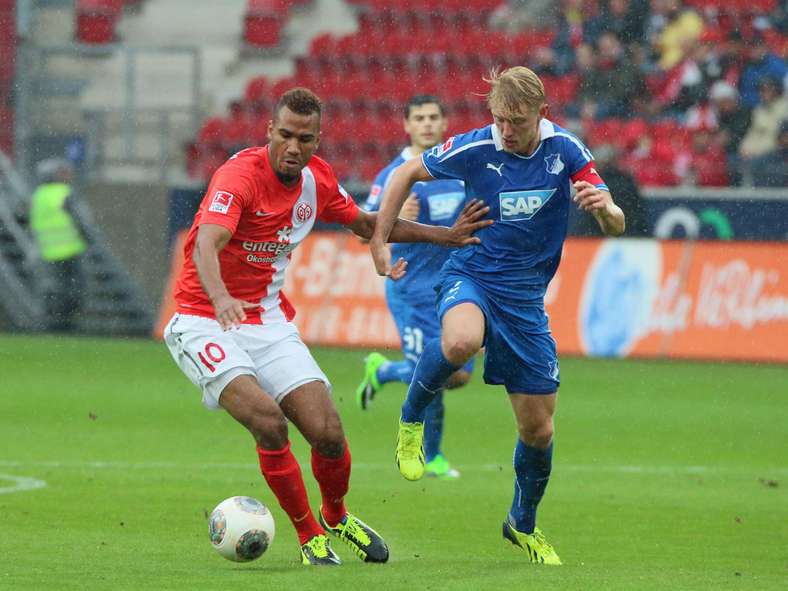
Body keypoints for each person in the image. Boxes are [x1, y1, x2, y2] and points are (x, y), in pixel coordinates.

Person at [163, 88, 490, 566]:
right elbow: (206, 244)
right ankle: (309, 535)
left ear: (318, 140)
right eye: (285, 135)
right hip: (203, 319)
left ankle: (336, 516)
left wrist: (446, 236)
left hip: (266, 319)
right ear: (269, 132)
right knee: (269, 423)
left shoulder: (316, 180)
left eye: (305, 139)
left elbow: (368, 225)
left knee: (329, 432)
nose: (293, 147)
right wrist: (220, 297)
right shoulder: (238, 178)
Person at [368, 67, 626, 566]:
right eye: (500, 119)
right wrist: (381, 239)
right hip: (472, 273)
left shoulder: (566, 150)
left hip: (525, 300)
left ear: (542, 114)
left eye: (517, 121)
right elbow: (404, 173)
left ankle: (521, 523)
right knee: (461, 342)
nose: (506, 131)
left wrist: (604, 210)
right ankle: (411, 417)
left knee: (539, 431)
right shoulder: (476, 146)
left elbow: (615, 221)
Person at [356, 95, 475, 480]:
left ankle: (384, 371)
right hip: (412, 287)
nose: (426, 124)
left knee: (459, 375)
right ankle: (433, 455)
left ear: (444, 123)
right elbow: (363, 231)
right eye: (419, 118)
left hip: (457, 284)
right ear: (407, 125)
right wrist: (387, 219)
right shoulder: (394, 175)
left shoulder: (458, 167)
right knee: (436, 372)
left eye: (433, 117)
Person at [29, 158, 88, 333]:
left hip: (47, 250)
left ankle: (50, 323)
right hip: (69, 249)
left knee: (52, 289)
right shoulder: (63, 193)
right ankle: (66, 323)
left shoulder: (38, 195)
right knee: (74, 289)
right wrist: (87, 238)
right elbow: (81, 219)